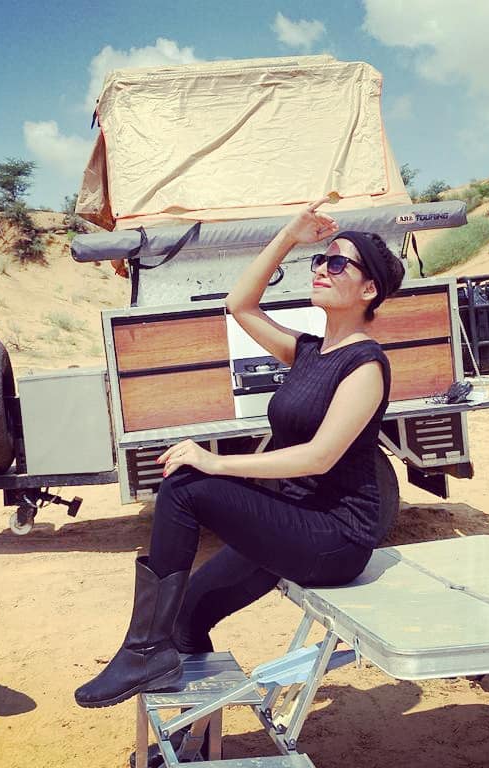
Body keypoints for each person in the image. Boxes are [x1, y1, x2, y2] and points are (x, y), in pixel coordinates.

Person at [74, 197, 406, 708]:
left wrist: (216, 461)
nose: (321, 268)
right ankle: (193, 724)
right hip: (290, 521)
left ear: (369, 290)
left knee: (186, 487)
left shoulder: (365, 366)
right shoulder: (309, 352)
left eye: (338, 263)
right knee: (186, 614)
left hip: (335, 538)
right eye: (320, 260)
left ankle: (142, 651)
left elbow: (318, 457)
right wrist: (289, 235)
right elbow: (240, 304)